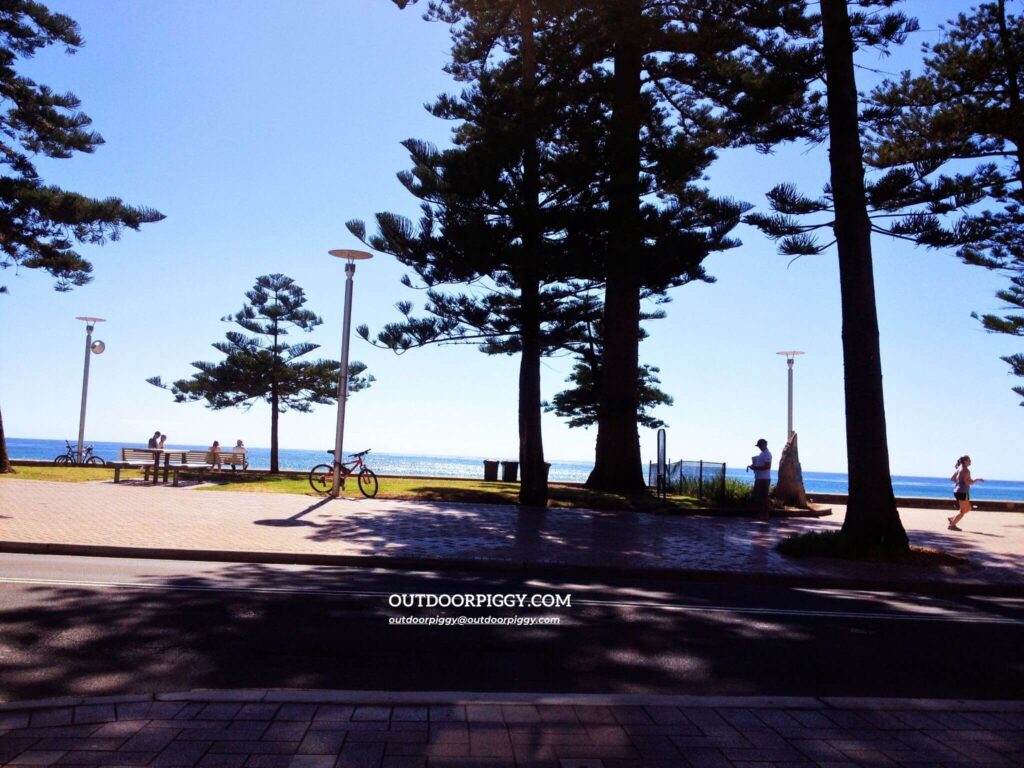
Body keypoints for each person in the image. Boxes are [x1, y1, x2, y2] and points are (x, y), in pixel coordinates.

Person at [948, 455, 983, 531]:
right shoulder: (966, 471)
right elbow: (968, 483)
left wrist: (959, 483)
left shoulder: (959, 469)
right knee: (963, 511)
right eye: (969, 460)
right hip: (962, 492)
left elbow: (952, 478)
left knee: (968, 508)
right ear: (965, 461)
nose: (970, 461)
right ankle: (952, 525)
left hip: (959, 491)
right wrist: (976, 480)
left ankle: (952, 519)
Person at [747, 438, 773, 521]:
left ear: (765, 445)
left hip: (764, 479)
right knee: (760, 497)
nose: (759, 447)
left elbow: (767, 467)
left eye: (760, 446)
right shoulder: (762, 454)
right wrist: (754, 466)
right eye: (759, 446)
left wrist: (755, 468)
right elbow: (761, 465)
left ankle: (765, 515)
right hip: (759, 478)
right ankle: (761, 514)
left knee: (764, 497)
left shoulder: (767, 454)